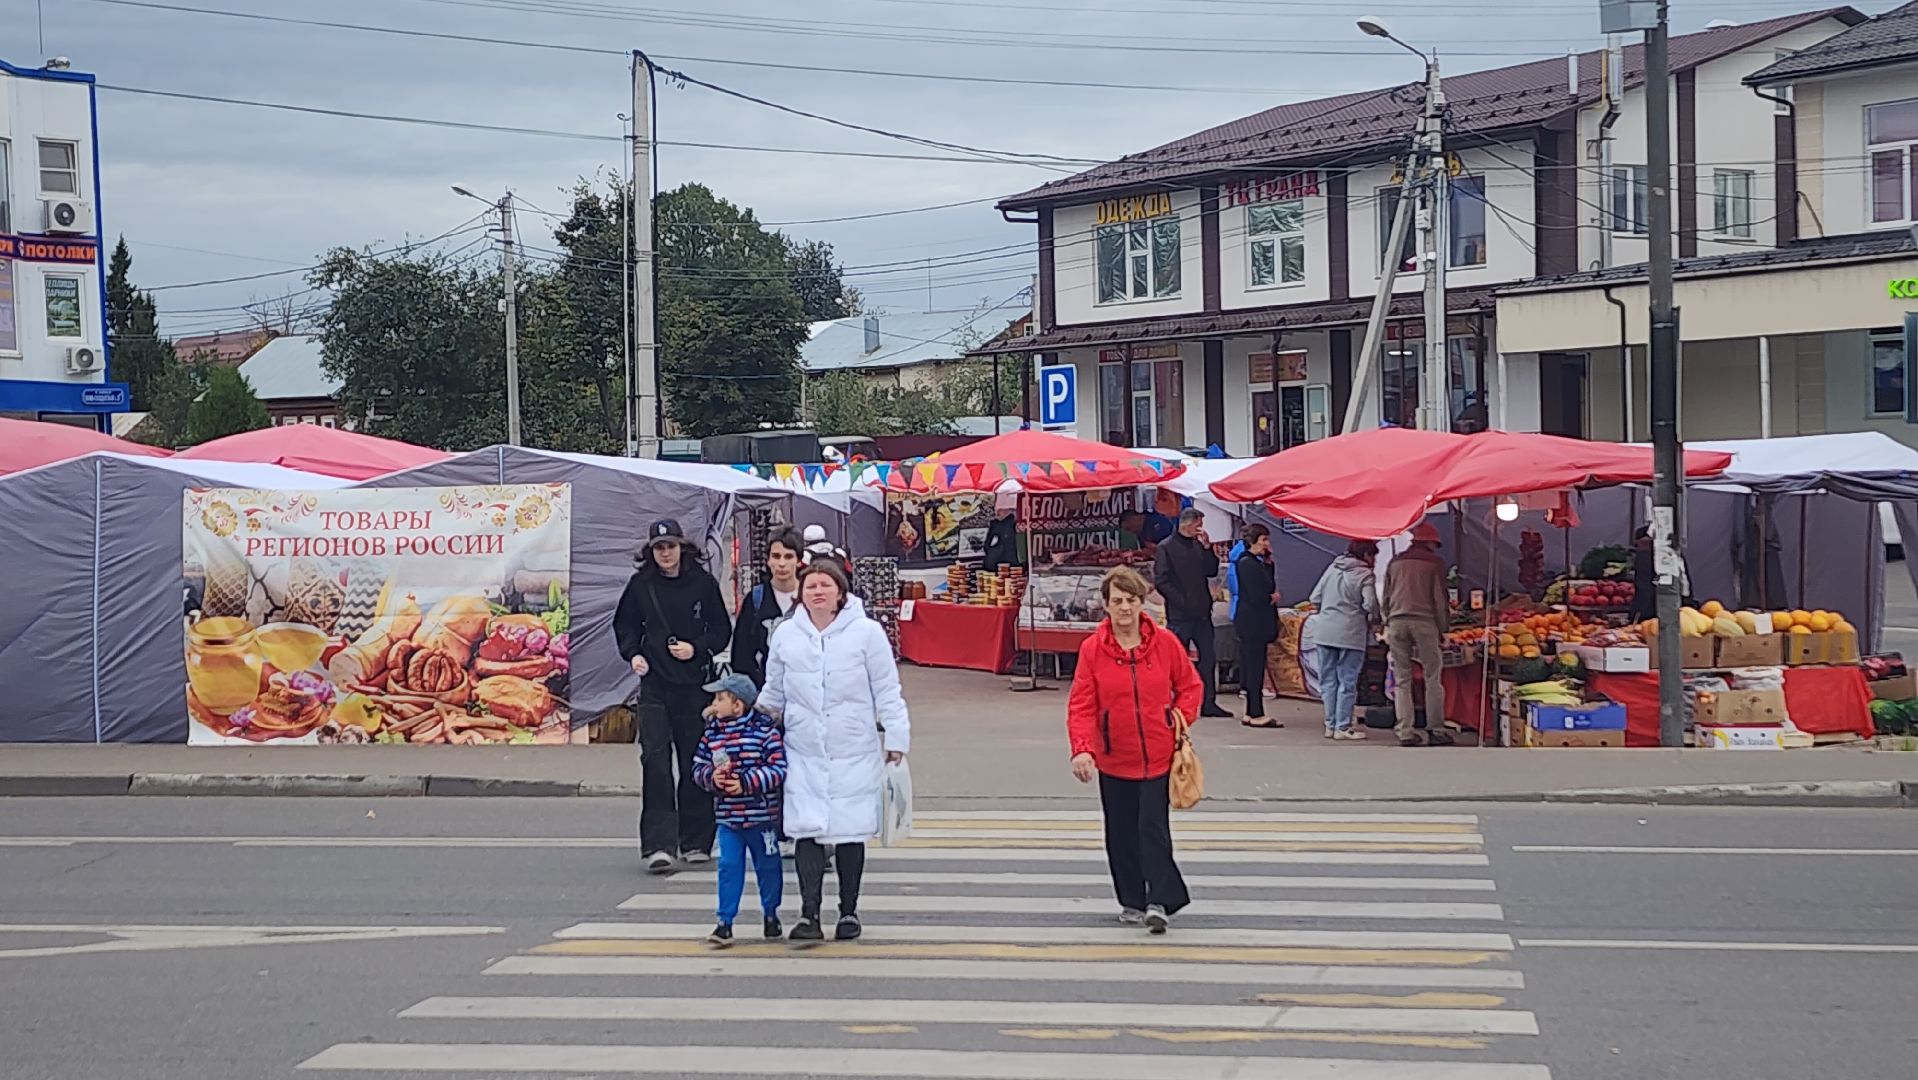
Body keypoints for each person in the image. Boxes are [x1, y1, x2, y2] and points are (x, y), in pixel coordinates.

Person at [758, 559, 910, 946]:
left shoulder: (866, 633)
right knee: (807, 829)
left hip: (852, 748)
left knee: (848, 831)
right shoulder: (787, 636)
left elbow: (887, 689)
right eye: (811, 586)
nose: (818, 592)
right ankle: (809, 914)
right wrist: (754, 732)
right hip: (803, 749)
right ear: (801, 594)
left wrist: (896, 737)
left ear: (840, 592)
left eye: (826, 585)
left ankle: (848, 911)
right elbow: (773, 692)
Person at [1065, 566, 1201, 935]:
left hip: (1158, 755)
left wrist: (1177, 720)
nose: (1124, 608)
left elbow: (1191, 687)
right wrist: (1083, 750)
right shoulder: (1093, 650)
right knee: (1121, 832)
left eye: (1131, 600)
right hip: (1114, 756)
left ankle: (1160, 900)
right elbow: (1081, 705)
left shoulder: (1166, 643)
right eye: (1117, 601)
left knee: (1151, 827)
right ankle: (1132, 900)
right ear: (1106, 606)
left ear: (1143, 603)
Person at [614, 519, 734, 873]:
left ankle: (695, 840)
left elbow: (721, 630)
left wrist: (696, 648)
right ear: (651, 552)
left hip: (694, 686)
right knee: (655, 762)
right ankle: (658, 845)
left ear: (682, 547)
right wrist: (633, 653)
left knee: (695, 762)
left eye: (671, 546)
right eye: (659, 547)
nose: (665, 553)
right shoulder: (641, 585)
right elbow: (625, 626)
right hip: (654, 686)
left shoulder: (703, 583)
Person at [691, 672, 787, 948]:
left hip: (761, 817)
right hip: (728, 818)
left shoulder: (765, 732)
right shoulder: (713, 733)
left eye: (720, 698)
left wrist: (745, 783)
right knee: (729, 866)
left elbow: (778, 769)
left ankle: (771, 913)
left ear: (738, 705)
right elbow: (697, 766)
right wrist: (712, 778)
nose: (714, 703)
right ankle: (725, 922)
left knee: (768, 867)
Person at [1381, 521, 1453, 748]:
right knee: (1433, 676)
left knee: (1402, 679)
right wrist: (1444, 630)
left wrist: (1386, 622)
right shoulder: (1434, 563)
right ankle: (1436, 729)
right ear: (1431, 542)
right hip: (1424, 623)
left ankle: (1405, 731)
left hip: (1396, 622)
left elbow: (1386, 597)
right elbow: (1440, 601)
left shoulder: (1395, 562)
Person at [1153, 508, 1229, 718]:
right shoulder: (1166, 547)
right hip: (1179, 615)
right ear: (1188, 523)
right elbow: (1161, 580)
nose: (1200, 528)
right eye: (1198, 523)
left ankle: (1208, 702)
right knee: (1177, 661)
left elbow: (1211, 571)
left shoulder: (1197, 545)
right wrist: (1181, 601)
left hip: (1202, 613)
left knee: (1208, 659)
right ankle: (1174, 702)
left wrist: (1207, 549)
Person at [1309, 539, 1381, 741]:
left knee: (1328, 680)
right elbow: (1370, 605)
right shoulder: (1365, 575)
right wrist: (1374, 619)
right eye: (1373, 555)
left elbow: (1315, 597)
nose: (1374, 560)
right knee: (1347, 681)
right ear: (1366, 555)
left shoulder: (1332, 568)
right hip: (1351, 633)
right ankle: (1343, 725)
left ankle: (1330, 724)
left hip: (1324, 631)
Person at [730, 527, 805, 688]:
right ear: (768, 560)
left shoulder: (810, 598)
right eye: (776, 556)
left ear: (798, 561)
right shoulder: (756, 599)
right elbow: (741, 654)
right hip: (766, 692)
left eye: (788, 556)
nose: (782, 564)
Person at [1233, 524, 1282, 729]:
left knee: (1254, 666)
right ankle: (1255, 712)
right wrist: (1270, 598)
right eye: (1264, 540)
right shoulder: (1247, 564)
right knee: (1254, 667)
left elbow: (1267, 582)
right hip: (1253, 623)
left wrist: (1269, 563)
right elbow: (1257, 595)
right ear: (1255, 540)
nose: (1267, 545)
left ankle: (1252, 711)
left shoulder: (1256, 563)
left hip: (1252, 623)